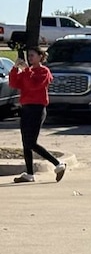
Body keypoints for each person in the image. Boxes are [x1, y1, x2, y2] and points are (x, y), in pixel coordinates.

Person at [9, 46, 66, 183]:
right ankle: (29, 174)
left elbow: (34, 85)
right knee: (25, 142)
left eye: (33, 55)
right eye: (29, 56)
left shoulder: (43, 71)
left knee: (31, 142)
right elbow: (14, 83)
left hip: (37, 109)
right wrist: (15, 69)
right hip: (26, 108)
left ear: (41, 56)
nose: (30, 58)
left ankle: (58, 164)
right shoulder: (27, 72)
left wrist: (27, 70)